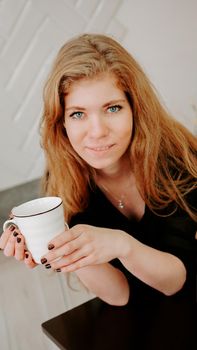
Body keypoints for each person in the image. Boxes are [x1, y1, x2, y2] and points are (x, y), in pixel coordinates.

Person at [0, 33, 196, 305]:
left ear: (135, 109)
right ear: (62, 123)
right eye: (78, 114)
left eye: (113, 108)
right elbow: (119, 295)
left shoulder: (176, 156)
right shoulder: (65, 179)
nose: (97, 132)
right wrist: (61, 244)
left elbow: (175, 282)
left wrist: (121, 244)